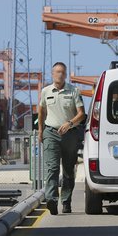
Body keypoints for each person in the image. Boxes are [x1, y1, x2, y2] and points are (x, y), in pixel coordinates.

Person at [38, 62, 85, 215]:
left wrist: (70, 123)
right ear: (52, 74)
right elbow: (41, 112)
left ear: (65, 75)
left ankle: (66, 200)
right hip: (51, 133)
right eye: (57, 72)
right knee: (52, 168)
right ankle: (51, 199)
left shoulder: (74, 91)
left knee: (68, 170)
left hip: (70, 135)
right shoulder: (45, 91)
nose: (60, 74)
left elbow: (81, 114)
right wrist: (40, 131)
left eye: (62, 72)